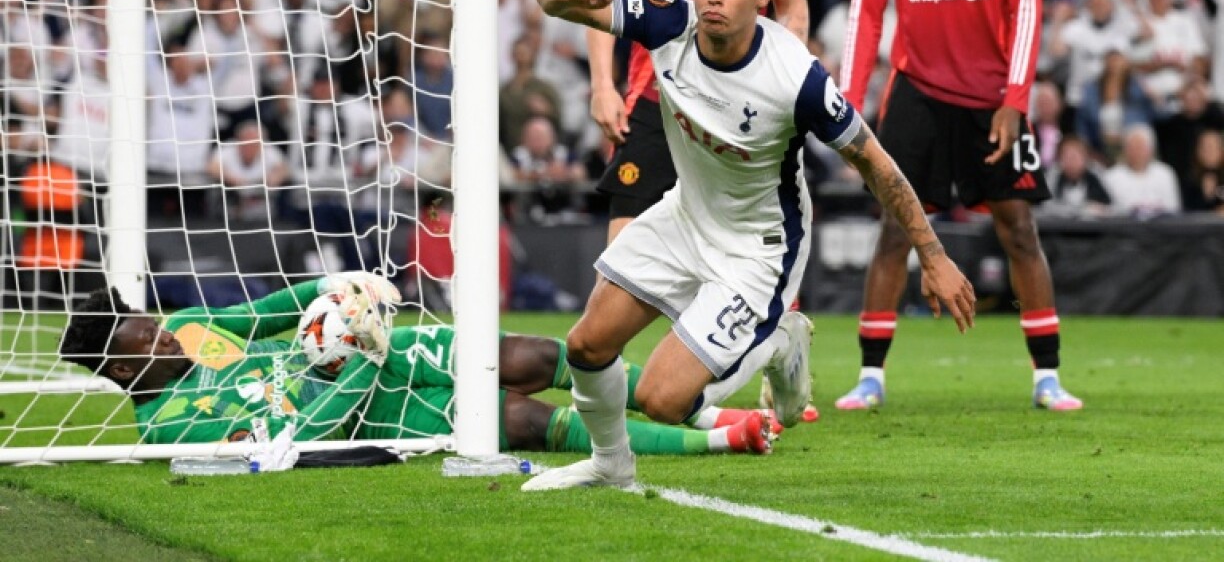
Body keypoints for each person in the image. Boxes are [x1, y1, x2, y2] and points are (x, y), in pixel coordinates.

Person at [523, 0, 975, 491]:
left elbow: (875, 162)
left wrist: (932, 256)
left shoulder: (795, 78)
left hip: (757, 249)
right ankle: (610, 466)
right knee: (587, 344)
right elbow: (552, 1)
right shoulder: (669, 21)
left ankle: (781, 338)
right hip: (685, 216)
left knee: (662, 400)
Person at [839, 0, 1083, 412]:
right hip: (915, 95)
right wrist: (846, 104)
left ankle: (1046, 377)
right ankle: (870, 376)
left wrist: (1015, 100)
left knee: (1019, 230)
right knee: (895, 231)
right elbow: (865, 17)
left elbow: (1027, 8)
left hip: (991, 100)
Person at [586, 0, 812, 414]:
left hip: (743, 119)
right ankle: (666, 390)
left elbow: (793, 5)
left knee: (744, 242)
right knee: (625, 260)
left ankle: (758, 355)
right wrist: (603, 84)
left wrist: (780, 76)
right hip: (659, 102)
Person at [58, 272, 777, 458]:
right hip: (361, 403)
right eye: (141, 336)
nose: (161, 331)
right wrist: (362, 363)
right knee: (518, 421)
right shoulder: (165, 428)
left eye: (147, 318)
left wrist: (342, 290)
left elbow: (268, 313)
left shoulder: (189, 329)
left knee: (524, 355)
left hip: (362, 347)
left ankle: (698, 405)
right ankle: (719, 438)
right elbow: (297, 438)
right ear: (122, 372)